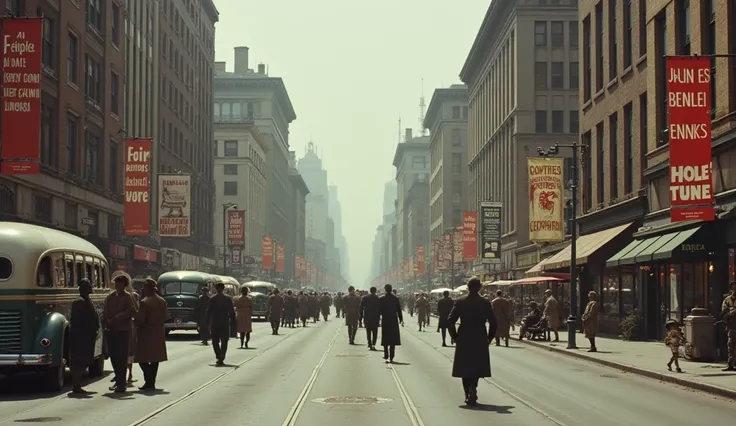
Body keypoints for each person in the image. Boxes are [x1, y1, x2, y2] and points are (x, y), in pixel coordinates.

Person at [447, 276, 497, 406]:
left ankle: (467, 392)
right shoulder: (485, 303)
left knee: (465, 366)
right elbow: (493, 322)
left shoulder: (460, 301)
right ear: (480, 287)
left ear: (468, 287)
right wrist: (489, 337)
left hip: (464, 336)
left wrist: (455, 336)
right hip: (480, 336)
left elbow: (450, 321)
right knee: (476, 365)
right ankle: (473, 387)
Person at [104, 272, 137, 392]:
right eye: (117, 284)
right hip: (112, 330)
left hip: (123, 331)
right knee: (114, 357)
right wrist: (108, 321)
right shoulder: (110, 297)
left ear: (125, 285)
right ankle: (118, 380)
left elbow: (132, 311)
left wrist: (119, 317)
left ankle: (121, 383)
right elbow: (105, 311)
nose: (119, 286)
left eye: (121, 284)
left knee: (122, 357)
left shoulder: (128, 297)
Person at [134, 278, 168, 390]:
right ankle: (151, 382)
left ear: (148, 289)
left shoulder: (144, 302)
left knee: (142, 358)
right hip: (158, 331)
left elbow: (140, 319)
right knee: (155, 359)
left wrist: (134, 318)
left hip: (146, 332)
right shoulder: (162, 301)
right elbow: (166, 317)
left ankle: (148, 380)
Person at [69, 278, 100, 394]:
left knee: (85, 360)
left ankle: (78, 384)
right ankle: (76, 385)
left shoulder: (87, 300)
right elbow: (79, 321)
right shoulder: (80, 302)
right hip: (81, 337)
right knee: (80, 361)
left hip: (88, 336)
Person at [207, 282, 236, 366]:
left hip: (215, 322)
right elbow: (231, 312)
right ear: (223, 289)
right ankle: (221, 355)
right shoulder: (227, 299)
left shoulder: (212, 299)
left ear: (216, 289)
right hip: (224, 322)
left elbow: (208, 312)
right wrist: (233, 322)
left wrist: (208, 323)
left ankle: (219, 355)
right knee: (224, 341)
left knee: (215, 341)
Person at [378, 284, 403, 362]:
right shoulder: (395, 298)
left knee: (385, 337)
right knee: (392, 338)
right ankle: (391, 356)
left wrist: (378, 318)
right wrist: (401, 319)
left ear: (385, 289)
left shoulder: (381, 299)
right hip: (393, 319)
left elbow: (379, 310)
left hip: (385, 319)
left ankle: (386, 355)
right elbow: (399, 310)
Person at [722, 281, 736, 371]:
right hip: (731, 325)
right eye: (733, 288)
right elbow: (724, 310)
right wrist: (730, 313)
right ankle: (730, 364)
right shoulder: (727, 299)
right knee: (730, 344)